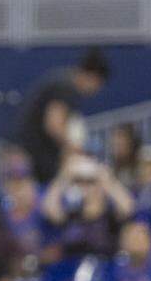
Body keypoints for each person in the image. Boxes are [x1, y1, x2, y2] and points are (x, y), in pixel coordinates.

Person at [15, 49, 110, 184]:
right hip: (32, 155)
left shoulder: (62, 81)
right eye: (97, 86)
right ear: (93, 78)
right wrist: (75, 148)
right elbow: (54, 125)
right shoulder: (65, 88)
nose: (95, 92)